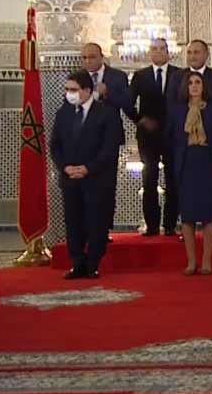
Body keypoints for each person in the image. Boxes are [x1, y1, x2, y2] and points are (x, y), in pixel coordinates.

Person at [50, 71, 122, 279]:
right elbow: (55, 145)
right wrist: (65, 167)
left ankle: (93, 264)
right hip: (70, 179)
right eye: (67, 89)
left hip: (96, 179)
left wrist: (88, 168)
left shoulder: (106, 114)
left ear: (87, 90)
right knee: (73, 222)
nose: (69, 93)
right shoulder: (63, 113)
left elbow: (109, 148)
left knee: (96, 222)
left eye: (73, 90)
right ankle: (77, 263)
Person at [168, 72, 212, 275]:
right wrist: (176, 152)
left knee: (208, 213)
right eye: (190, 83)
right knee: (188, 215)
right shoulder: (177, 111)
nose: (194, 86)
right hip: (186, 163)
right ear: (185, 87)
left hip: (208, 162)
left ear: (204, 86)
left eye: (198, 82)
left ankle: (207, 261)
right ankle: (191, 261)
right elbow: (168, 136)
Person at [127, 38, 181, 236]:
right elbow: (128, 103)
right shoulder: (140, 76)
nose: (158, 52)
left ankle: (170, 224)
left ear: (168, 52)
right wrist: (140, 120)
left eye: (162, 49)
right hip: (148, 137)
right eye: (154, 49)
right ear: (149, 52)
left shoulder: (179, 74)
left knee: (173, 181)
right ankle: (151, 225)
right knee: (149, 180)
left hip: (173, 136)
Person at [81, 42, 131, 239]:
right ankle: (86, 228)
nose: (88, 61)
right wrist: (93, 95)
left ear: (101, 57)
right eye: (85, 58)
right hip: (84, 140)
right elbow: (72, 103)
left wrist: (107, 94)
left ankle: (104, 229)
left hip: (109, 138)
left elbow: (126, 102)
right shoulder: (78, 78)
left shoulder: (117, 76)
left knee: (107, 184)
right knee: (86, 184)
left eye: (92, 57)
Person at [168, 40, 212, 109]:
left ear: (206, 54)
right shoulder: (176, 77)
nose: (192, 56)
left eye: (196, 52)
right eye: (189, 53)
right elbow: (171, 104)